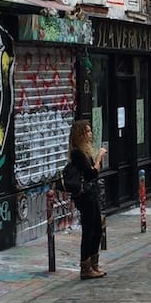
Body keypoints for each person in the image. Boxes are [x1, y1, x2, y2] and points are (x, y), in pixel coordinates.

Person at [68, 120, 107, 280]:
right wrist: (98, 158)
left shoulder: (85, 151)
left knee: (97, 229)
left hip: (92, 194)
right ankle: (85, 267)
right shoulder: (78, 153)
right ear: (81, 135)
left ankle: (94, 264)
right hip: (85, 196)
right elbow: (91, 173)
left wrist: (96, 160)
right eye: (88, 131)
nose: (91, 134)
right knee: (89, 230)